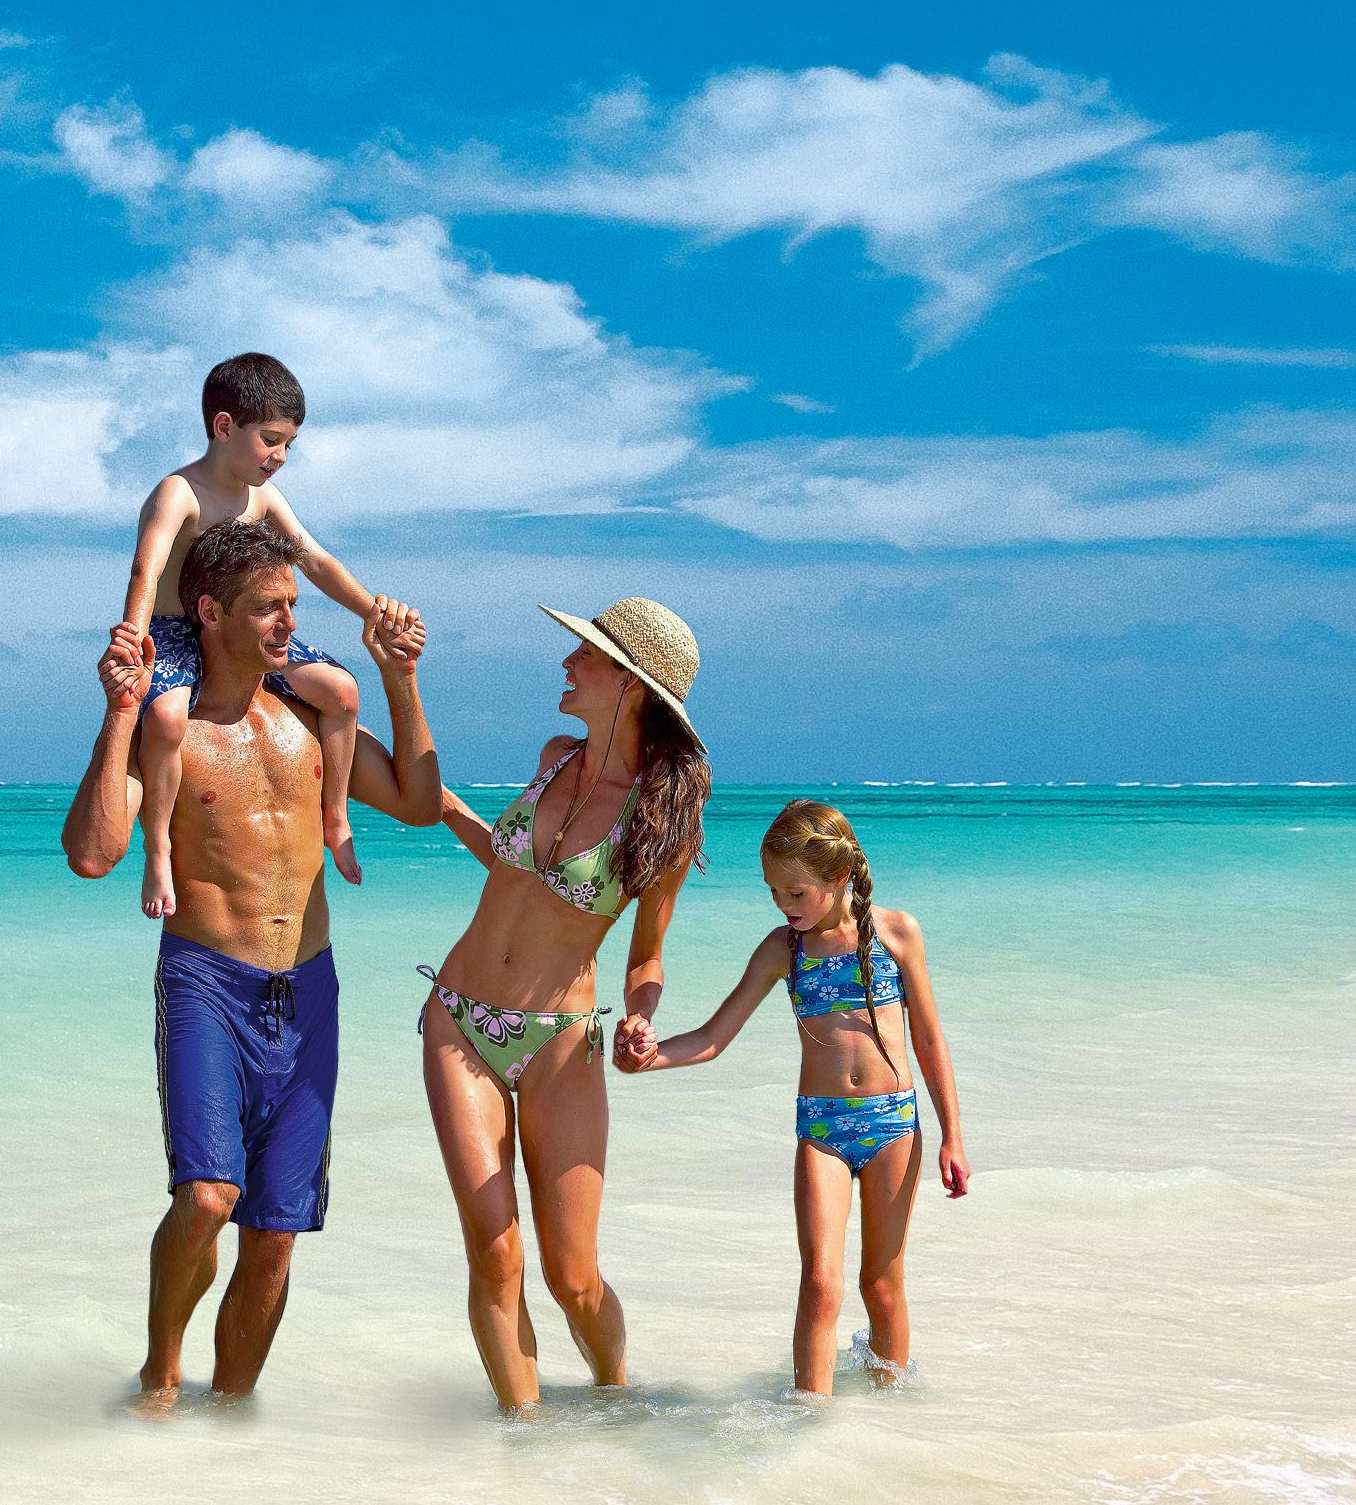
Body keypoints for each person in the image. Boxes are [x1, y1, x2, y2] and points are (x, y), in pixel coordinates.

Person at [63, 515, 444, 1408]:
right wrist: (117, 717)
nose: (288, 623)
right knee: (207, 1196)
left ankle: (232, 1422)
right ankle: (160, 1376)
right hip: (206, 980)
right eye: (268, 607)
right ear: (209, 612)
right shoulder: (169, 727)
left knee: (274, 1234)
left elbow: (420, 804)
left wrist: (400, 677)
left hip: (308, 990)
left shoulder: (310, 719)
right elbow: (92, 854)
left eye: (292, 605)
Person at [415, 597, 712, 1413]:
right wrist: (448, 808)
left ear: (629, 683)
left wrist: (642, 1014)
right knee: (495, 1255)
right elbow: (512, 868)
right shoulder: (553, 758)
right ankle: (524, 1446)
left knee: (572, 1279)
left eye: (585, 654)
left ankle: (617, 1399)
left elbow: (645, 955)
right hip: (459, 1021)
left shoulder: (661, 819)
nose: (566, 662)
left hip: (560, 1043)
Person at [627, 800, 971, 1394]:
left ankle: (889, 1416)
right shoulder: (782, 951)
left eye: (795, 893)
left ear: (839, 877)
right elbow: (714, 1037)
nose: (783, 905)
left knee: (882, 1286)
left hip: (894, 1124)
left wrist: (953, 1138)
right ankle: (808, 1421)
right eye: (773, 892)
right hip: (822, 1129)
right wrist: (648, 1056)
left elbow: (930, 1040)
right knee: (819, 1286)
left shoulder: (897, 934)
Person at [101, 353, 413, 922]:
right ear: (224, 427)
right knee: (167, 718)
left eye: (290, 443)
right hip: (174, 633)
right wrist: (131, 639)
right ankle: (158, 850)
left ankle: (336, 818)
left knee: (342, 691)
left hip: (245, 630)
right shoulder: (180, 492)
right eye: (271, 440)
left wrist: (375, 612)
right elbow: (146, 569)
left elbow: (315, 561)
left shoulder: (261, 499)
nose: (281, 456)